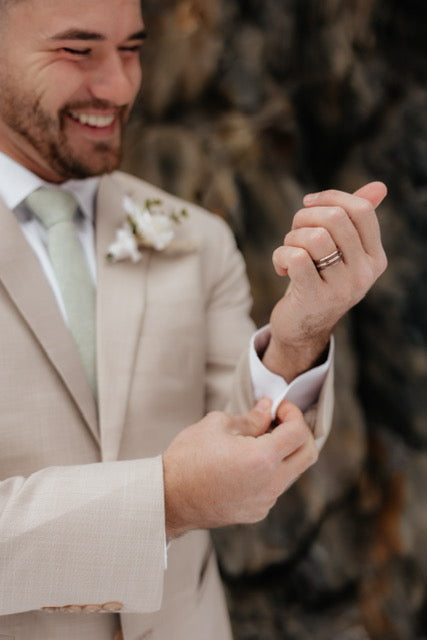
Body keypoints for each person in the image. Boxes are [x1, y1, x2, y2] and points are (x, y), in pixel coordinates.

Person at [0, 1, 387, 639]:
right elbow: (182, 488)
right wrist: (166, 501)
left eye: (132, 49)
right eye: (78, 50)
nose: (119, 86)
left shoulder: (197, 237)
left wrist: (301, 330)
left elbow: (242, 435)